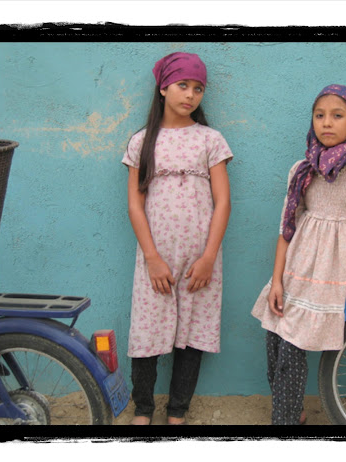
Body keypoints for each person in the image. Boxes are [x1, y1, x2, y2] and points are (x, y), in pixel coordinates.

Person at [251, 84, 346, 425]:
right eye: (320, 115)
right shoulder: (303, 169)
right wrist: (276, 280)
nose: (327, 123)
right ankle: (293, 410)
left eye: (337, 115)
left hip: (326, 277)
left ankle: (285, 421)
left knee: (291, 350)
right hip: (294, 271)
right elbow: (287, 228)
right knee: (275, 344)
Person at [122, 52, 233, 425]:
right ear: (163, 87)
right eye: (183, 85)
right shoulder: (142, 142)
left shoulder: (211, 140)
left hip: (200, 259)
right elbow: (135, 205)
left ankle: (177, 412)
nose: (190, 95)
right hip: (156, 258)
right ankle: (142, 409)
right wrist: (152, 258)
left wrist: (208, 257)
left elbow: (223, 203)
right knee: (147, 330)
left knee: (193, 332)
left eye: (198, 89)